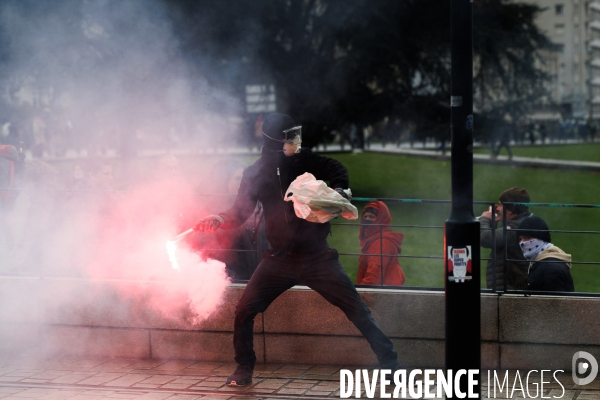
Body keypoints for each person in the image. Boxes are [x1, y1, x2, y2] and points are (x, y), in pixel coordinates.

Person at [195, 113, 403, 386]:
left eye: (297, 135)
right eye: (290, 137)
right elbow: (239, 212)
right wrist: (220, 219)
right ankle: (244, 368)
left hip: (318, 258)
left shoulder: (307, 160)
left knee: (358, 310)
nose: (296, 141)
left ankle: (392, 366)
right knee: (244, 310)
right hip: (278, 260)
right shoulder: (255, 173)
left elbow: (337, 169)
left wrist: (340, 191)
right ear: (274, 141)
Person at [480, 187, 532, 290]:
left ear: (511, 211)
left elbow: (485, 238)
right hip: (512, 287)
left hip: (511, 290)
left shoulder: (515, 228)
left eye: (500, 205)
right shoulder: (522, 222)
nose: (497, 208)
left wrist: (485, 219)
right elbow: (497, 240)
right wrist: (492, 223)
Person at [517, 216, 574, 292]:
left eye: (527, 237)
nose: (522, 243)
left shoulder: (549, 269)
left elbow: (553, 303)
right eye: (520, 239)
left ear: (541, 238)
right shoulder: (540, 263)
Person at [357, 201, 405, 286]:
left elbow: (374, 275)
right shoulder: (374, 238)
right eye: (365, 216)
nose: (367, 219)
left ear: (381, 219)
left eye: (372, 217)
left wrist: (361, 294)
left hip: (384, 294)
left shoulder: (381, 243)